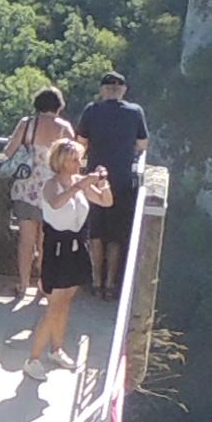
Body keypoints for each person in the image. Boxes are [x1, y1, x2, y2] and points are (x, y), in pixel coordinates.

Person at [26, 140, 107, 375]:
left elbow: (106, 200)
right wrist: (79, 185)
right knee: (54, 306)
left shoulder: (78, 183)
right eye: (74, 159)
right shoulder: (51, 185)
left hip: (77, 246)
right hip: (57, 249)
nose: (78, 163)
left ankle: (56, 349)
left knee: (66, 302)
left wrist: (103, 183)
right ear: (61, 162)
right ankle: (33, 359)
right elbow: (55, 202)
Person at [2, 85, 78, 303]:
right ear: (59, 106)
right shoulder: (64, 129)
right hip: (52, 192)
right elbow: (74, 161)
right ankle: (44, 286)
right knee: (46, 241)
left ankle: (23, 284)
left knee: (25, 240)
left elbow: (9, 151)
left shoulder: (27, 125)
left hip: (26, 189)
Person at [74, 69, 149, 287]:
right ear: (123, 90)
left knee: (96, 231)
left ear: (103, 91)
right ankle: (110, 283)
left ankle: (96, 280)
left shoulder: (92, 110)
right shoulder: (135, 112)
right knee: (116, 234)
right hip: (123, 180)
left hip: (95, 179)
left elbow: (81, 142)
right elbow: (143, 144)